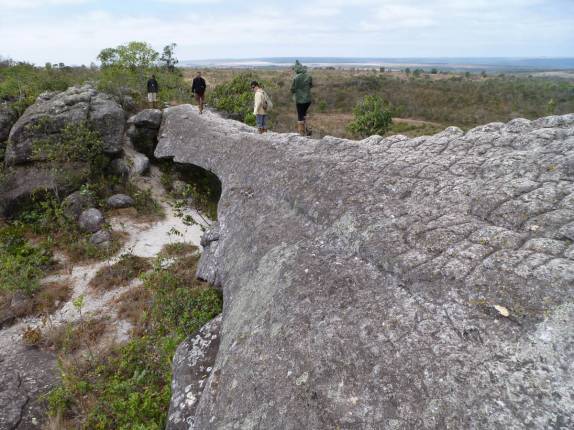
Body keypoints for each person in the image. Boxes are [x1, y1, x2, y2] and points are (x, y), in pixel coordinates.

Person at [290, 60, 313, 136]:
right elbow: (311, 85)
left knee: (300, 116)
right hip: (308, 100)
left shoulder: (296, 78)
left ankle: (301, 133)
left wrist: (296, 91)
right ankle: (308, 129)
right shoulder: (309, 76)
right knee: (304, 114)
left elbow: (292, 89)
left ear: (297, 69)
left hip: (299, 100)